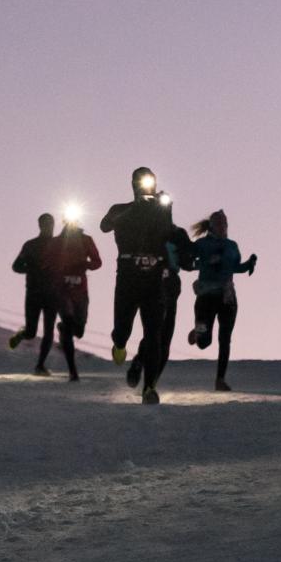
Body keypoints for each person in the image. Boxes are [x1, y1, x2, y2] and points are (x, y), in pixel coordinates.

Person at [100, 169, 190, 404]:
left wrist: (165, 210)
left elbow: (170, 234)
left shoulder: (160, 211)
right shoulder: (120, 209)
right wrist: (134, 208)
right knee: (122, 331)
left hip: (154, 280)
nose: (147, 187)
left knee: (154, 335)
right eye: (142, 182)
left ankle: (150, 387)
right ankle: (119, 344)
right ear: (133, 185)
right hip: (128, 278)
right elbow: (104, 226)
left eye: (151, 182)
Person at [181, 211, 259, 390]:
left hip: (227, 296)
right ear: (212, 225)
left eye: (226, 223)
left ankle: (220, 380)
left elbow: (235, 267)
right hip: (206, 296)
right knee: (204, 343)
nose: (224, 227)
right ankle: (198, 332)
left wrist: (249, 264)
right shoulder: (202, 244)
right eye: (220, 223)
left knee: (225, 338)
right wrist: (205, 262)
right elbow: (189, 262)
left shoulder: (232, 245)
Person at [8, 212, 66, 373]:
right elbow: (16, 266)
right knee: (31, 331)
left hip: (52, 293)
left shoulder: (59, 245)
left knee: (49, 331)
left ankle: (40, 365)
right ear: (40, 226)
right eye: (47, 224)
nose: (50, 228)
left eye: (51, 224)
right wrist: (32, 269)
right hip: (34, 292)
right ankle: (23, 334)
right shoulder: (30, 245)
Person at [48, 213, 102, 381]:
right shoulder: (56, 242)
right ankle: (73, 372)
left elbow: (97, 262)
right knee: (69, 323)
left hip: (81, 290)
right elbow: (46, 261)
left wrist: (85, 264)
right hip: (62, 290)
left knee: (79, 330)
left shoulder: (86, 240)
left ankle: (64, 329)